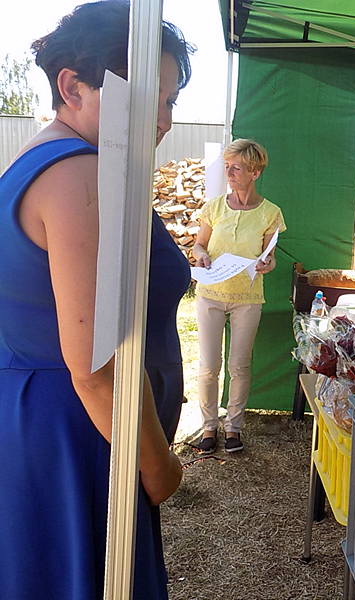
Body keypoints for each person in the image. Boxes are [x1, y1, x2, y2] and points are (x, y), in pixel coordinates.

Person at [0, 3, 193, 598]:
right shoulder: (79, 175)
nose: (163, 120)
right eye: (151, 98)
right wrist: (160, 467)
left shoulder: (41, 162)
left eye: (170, 101)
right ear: (72, 87)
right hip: (80, 433)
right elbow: (96, 368)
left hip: (57, 424)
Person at [192, 139, 287, 454]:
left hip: (247, 297)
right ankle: (208, 429)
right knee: (208, 366)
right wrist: (202, 255)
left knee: (240, 365)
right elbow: (199, 245)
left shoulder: (270, 213)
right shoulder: (215, 207)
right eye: (227, 166)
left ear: (255, 172)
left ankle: (233, 428)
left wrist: (267, 264)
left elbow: (269, 258)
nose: (229, 172)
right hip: (210, 293)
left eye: (237, 167)